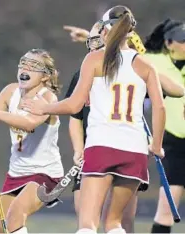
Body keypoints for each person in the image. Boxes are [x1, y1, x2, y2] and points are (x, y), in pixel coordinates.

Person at [22, 6, 166, 234]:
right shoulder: (146, 65)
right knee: (114, 224)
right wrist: (157, 144)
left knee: (88, 224)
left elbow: (74, 105)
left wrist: (44, 108)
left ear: (105, 31)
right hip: (135, 150)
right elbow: (159, 106)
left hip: (101, 147)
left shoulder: (94, 59)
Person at [67, 22, 184, 233]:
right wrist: (77, 149)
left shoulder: (134, 69)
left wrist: (141, 61)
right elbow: (75, 116)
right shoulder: (85, 71)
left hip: (111, 148)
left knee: (120, 221)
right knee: (89, 217)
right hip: (94, 152)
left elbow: (176, 90)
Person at [0, 48, 64, 233]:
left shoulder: (48, 97)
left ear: (45, 77)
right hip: (16, 172)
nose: (25, 68)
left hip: (44, 173)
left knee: (16, 215)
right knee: (3, 228)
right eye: (23, 63)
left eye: (33, 66)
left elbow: (28, 123)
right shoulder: (11, 91)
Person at [144, 19, 185, 234]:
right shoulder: (153, 61)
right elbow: (120, 51)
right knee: (168, 207)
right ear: (169, 43)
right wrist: (88, 36)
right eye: (183, 41)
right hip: (174, 142)